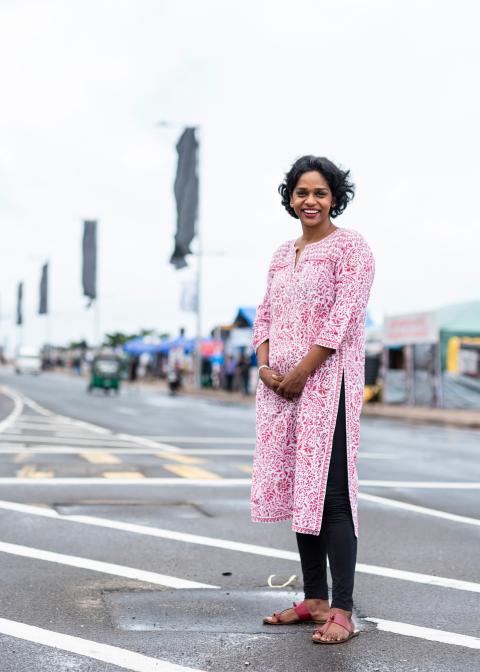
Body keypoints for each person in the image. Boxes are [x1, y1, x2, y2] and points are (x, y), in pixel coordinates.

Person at [251, 156, 375, 645]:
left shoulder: (352, 249)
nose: (310, 201)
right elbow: (264, 314)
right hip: (280, 390)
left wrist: (302, 371)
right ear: (290, 198)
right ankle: (314, 598)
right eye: (302, 192)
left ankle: (342, 610)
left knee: (334, 496)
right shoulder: (283, 253)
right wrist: (265, 367)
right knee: (304, 489)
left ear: (335, 198)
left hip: (328, 386)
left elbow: (343, 318)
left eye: (320, 193)